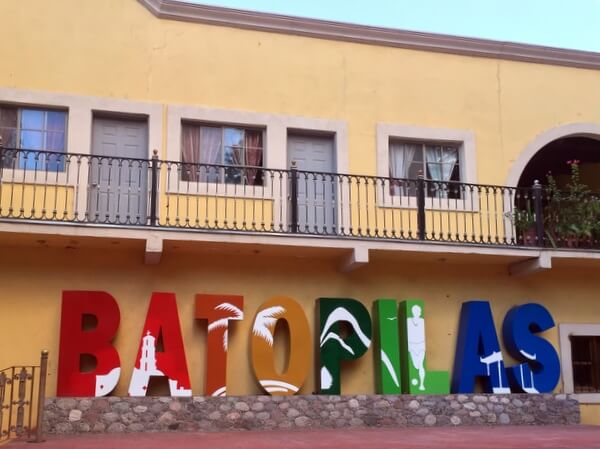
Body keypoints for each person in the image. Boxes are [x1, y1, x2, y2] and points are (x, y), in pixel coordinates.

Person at [407, 304, 426, 390]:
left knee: (421, 365)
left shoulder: (422, 321)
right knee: (415, 365)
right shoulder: (408, 320)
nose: (420, 312)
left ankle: (422, 385)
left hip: (421, 345)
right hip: (412, 346)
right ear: (414, 312)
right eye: (418, 311)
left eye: (420, 311)